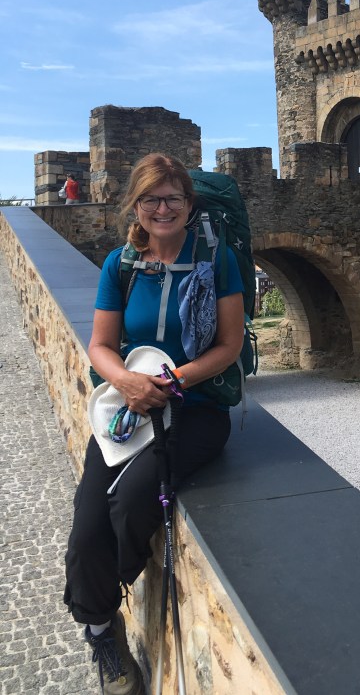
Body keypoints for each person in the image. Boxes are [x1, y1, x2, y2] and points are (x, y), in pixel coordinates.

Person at [64, 153, 244, 694]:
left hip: (196, 408)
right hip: (132, 408)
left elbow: (229, 346)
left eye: (173, 199)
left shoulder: (217, 261)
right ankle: (101, 629)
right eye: (151, 200)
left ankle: (105, 589)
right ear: (136, 205)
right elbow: (100, 345)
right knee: (86, 528)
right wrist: (128, 383)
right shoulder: (121, 264)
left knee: (130, 501)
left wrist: (173, 380)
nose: (162, 209)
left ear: (189, 204)